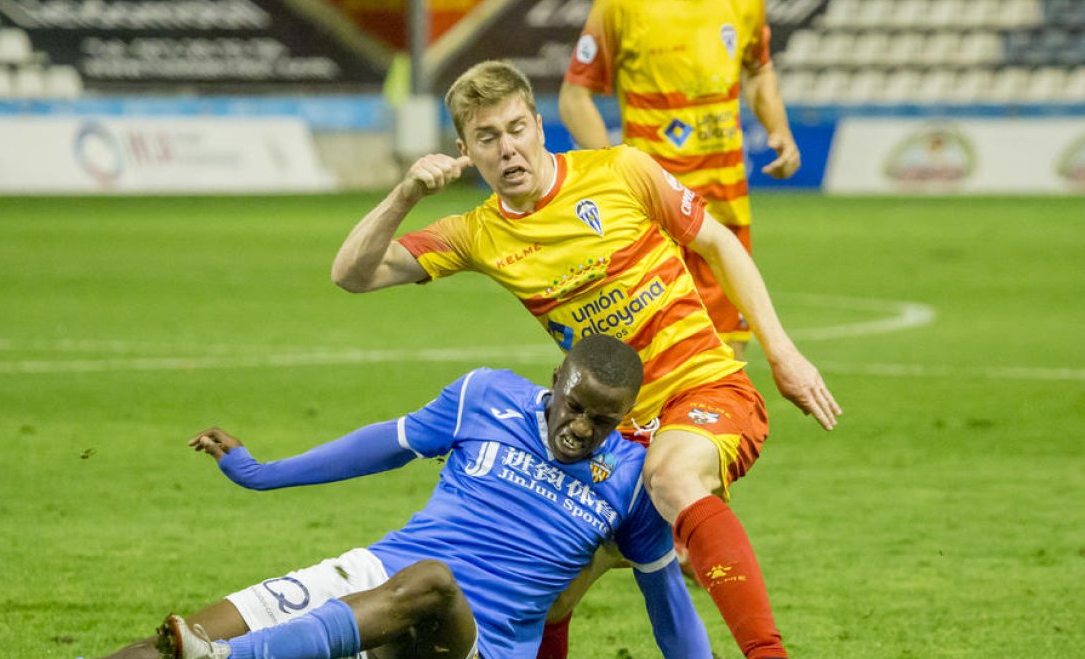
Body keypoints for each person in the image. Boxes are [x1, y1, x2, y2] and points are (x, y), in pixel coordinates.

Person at [330, 60, 840, 659]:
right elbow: (352, 274)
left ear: (540, 126)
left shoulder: (621, 170)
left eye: (516, 128)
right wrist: (407, 192)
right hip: (611, 437)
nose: (508, 149)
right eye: (487, 138)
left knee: (672, 475)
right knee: (551, 589)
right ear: (465, 149)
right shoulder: (478, 233)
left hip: (704, 391)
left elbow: (717, 242)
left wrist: (781, 352)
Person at [106, 335, 712, 659]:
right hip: (373, 581)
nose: (580, 428)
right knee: (174, 643)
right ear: (556, 381)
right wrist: (260, 472)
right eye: (574, 407)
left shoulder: (636, 479)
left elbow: (671, 611)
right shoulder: (485, 394)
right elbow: (383, 444)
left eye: (601, 422)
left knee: (433, 582)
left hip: (474, 642)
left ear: (626, 417)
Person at [559, 0, 801, 361]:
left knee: (725, 359)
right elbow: (574, 98)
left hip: (725, 212)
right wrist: (613, 171)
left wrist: (779, 130)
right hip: (655, 218)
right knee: (653, 362)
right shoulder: (619, 3)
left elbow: (759, 69)